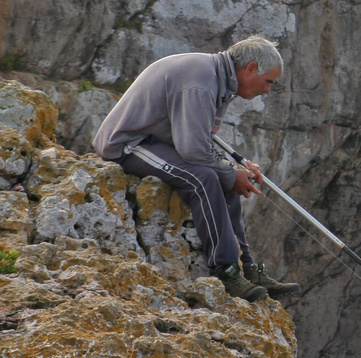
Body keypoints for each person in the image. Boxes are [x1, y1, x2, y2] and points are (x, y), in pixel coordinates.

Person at [93, 36, 301, 302]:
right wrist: (229, 172)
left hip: (160, 143)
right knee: (204, 178)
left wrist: (234, 168)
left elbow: (202, 142)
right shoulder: (202, 82)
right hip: (129, 145)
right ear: (250, 68)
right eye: (269, 81)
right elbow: (193, 151)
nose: (267, 90)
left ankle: (247, 267)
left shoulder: (218, 78)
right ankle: (226, 270)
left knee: (225, 176)